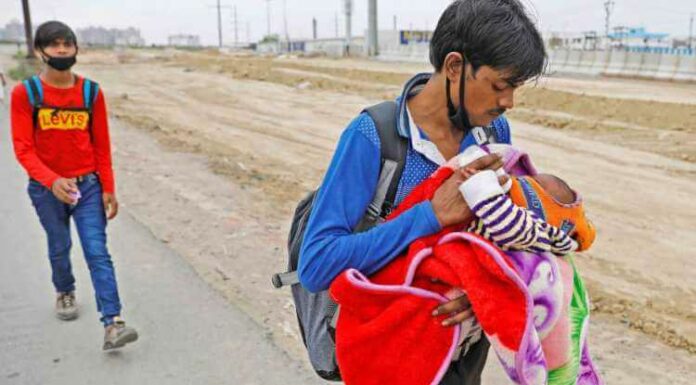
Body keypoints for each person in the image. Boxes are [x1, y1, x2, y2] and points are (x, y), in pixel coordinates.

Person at [298, 0, 546, 383]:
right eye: (500, 85)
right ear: (454, 67)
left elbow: (507, 238)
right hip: (387, 359)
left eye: (515, 88)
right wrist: (428, 215)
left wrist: (485, 292)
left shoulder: (494, 137)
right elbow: (317, 265)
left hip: (462, 360)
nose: (508, 102)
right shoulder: (374, 137)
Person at [10, 21, 138, 350]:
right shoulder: (26, 94)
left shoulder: (90, 93)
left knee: (97, 251)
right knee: (59, 245)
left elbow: (101, 146)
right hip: (46, 189)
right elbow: (23, 148)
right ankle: (64, 290)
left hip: (88, 187)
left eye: (68, 43)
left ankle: (113, 322)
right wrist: (51, 181)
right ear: (41, 51)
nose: (63, 50)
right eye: (54, 45)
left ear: (76, 49)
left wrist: (108, 187)